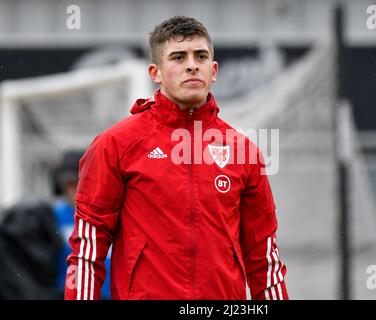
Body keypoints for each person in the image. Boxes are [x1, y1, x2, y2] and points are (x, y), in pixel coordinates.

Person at [65, 16, 288, 300]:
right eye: (178, 57)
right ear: (155, 72)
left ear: (214, 70)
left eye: (201, 56)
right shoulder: (115, 145)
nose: (192, 65)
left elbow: (263, 257)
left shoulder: (244, 152)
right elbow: (87, 250)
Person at [52, 150, 111, 299]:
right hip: (68, 293)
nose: (73, 190)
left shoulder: (107, 214)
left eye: (76, 183)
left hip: (109, 292)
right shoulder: (54, 216)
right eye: (68, 185)